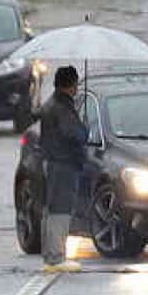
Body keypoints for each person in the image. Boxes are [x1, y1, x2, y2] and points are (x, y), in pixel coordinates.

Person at [39, 66, 87, 272]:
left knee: (51, 210)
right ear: (71, 84)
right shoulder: (62, 108)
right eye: (76, 83)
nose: (77, 88)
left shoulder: (51, 103)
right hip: (63, 165)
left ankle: (51, 255)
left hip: (54, 162)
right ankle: (56, 258)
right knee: (61, 210)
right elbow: (74, 134)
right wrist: (84, 128)